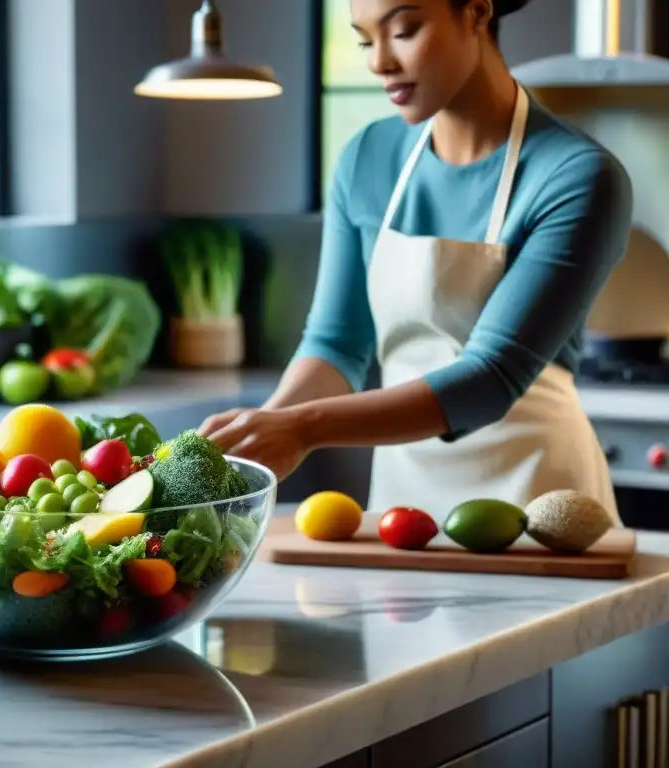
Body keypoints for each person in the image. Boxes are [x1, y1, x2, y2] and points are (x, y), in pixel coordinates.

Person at [199, 0, 633, 523]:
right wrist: (261, 431)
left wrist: (302, 428)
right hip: (402, 501)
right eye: (364, 41)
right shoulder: (368, 156)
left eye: (403, 30)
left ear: (476, 12)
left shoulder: (577, 176)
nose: (378, 62)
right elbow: (337, 344)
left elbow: (489, 378)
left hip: (539, 499)